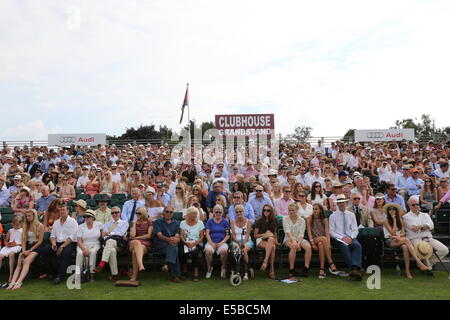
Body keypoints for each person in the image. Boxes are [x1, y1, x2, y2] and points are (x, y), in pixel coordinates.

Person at [382, 203, 429, 279]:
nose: (392, 210)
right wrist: (393, 219)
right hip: (390, 240)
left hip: (400, 239)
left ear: (396, 211)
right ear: (388, 211)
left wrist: (399, 236)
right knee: (406, 240)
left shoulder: (400, 219)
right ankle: (419, 262)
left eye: (394, 209)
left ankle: (407, 271)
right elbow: (393, 232)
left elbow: (403, 232)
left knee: (405, 247)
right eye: (390, 209)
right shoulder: (385, 221)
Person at [403, 197, 449, 274]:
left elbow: (431, 226)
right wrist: (425, 226)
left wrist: (421, 227)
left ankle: (427, 264)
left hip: (428, 237)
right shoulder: (406, 217)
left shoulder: (425, 215)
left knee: (444, 250)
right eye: (413, 205)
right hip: (415, 238)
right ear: (409, 206)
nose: (416, 206)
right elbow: (414, 228)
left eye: (417, 204)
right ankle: (429, 269)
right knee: (423, 249)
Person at [40, 201, 78, 284]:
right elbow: (52, 235)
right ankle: (51, 273)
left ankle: (60, 276)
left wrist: (62, 247)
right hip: (57, 242)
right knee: (45, 250)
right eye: (60, 210)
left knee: (65, 252)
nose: (61, 212)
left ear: (67, 211)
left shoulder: (73, 222)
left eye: (63, 210)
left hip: (69, 243)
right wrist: (53, 244)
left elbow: (71, 237)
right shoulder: (56, 222)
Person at [7, 209, 45, 290]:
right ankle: (12, 282)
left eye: (29, 216)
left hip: (36, 247)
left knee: (27, 261)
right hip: (27, 246)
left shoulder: (40, 226)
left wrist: (30, 250)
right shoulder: (25, 225)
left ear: (34, 216)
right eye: (26, 216)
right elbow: (23, 240)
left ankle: (19, 282)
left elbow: (40, 241)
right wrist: (24, 251)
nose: (27, 218)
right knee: (20, 261)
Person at [329, 194, 363, 281]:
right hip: (339, 238)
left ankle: (354, 268)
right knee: (345, 246)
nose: (341, 204)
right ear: (337, 204)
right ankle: (355, 269)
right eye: (339, 202)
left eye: (342, 202)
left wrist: (351, 238)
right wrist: (342, 237)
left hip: (350, 237)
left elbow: (355, 229)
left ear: (345, 203)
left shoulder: (351, 215)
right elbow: (331, 232)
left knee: (357, 245)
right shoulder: (333, 216)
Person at [94, 206, 129, 282]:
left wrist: (109, 233)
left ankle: (102, 264)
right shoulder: (107, 224)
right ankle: (115, 274)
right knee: (112, 250)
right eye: (113, 213)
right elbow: (104, 236)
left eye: (116, 212)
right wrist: (111, 235)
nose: (115, 214)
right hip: (109, 244)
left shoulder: (125, 223)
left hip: (119, 244)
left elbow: (120, 234)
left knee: (110, 242)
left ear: (120, 213)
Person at [307, 204, 338, 279]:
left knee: (321, 244)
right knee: (323, 239)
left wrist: (329, 244)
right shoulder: (309, 218)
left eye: (316, 209)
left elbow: (327, 232)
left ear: (320, 210)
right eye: (313, 209)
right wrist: (312, 244)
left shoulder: (324, 220)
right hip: (314, 239)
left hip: (323, 242)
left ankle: (322, 269)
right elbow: (309, 233)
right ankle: (331, 262)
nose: (314, 211)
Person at [152, 206, 182, 282]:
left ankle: (167, 265)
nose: (169, 213)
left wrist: (176, 240)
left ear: (173, 214)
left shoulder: (176, 223)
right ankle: (175, 275)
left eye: (171, 212)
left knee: (173, 247)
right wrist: (169, 240)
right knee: (174, 248)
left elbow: (177, 235)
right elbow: (159, 235)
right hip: (160, 244)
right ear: (163, 213)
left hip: (171, 244)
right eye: (167, 212)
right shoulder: (157, 222)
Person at [283, 203, 312, 277]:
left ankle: (306, 268)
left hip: (300, 239)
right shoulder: (285, 219)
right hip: (288, 239)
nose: (291, 212)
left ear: (297, 210)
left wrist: (298, 243)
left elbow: (301, 234)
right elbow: (288, 232)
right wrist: (294, 242)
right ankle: (291, 269)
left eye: (293, 210)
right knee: (293, 247)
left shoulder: (302, 220)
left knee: (308, 247)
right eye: (289, 210)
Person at [75, 209, 103, 281]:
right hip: (83, 244)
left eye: (88, 216)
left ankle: (91, 274)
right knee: (80, 253)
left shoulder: (99, 224)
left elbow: (103, 234)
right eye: (85, 216)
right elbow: (78, 241)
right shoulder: (81, 226)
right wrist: (84, 249)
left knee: (93, 252)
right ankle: (77, 275)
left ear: (93, 217)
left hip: (95, 244)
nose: (86, 218)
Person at [179, 206, 205, 282]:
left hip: (197, 243)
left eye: (195, 214)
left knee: (195, 252)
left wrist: (195, 243)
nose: (195, 216)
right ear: (188, 214)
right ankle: (184, 270)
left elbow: (201, 237)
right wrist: (185, 242)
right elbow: (181, 235)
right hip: (186, 242)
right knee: (181, 252)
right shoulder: (183, 223)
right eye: (193, 214)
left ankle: (196, 273)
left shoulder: (200, 223)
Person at [204, 204, 230, 279]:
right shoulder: (210, 221)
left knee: (224, 251)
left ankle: (223, 267)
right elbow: (207, 233)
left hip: (222, 242)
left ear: (222, 213)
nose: (218, 214)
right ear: (214, 213)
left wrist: (222, 242)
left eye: (220, 212)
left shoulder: (225, 222)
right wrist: (211, 243)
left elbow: (228, 235)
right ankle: (209, 268)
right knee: (208, 251)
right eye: (216, 212)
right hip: (211, 241)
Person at [128, 207, 153, 281]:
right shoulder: (134, 222)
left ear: (144, 213)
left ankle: (134, 277)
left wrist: (137, 238)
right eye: (136, 213)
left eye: (139, 213)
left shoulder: (149, 223)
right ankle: (141, 265)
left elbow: (148, 235)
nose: (137, 215)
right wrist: (134, 224)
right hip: (133, 242)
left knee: (134, 252)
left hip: (145, 243)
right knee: (136, 242)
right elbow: (132, 235)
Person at [254, 204, 278, 279]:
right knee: (273, 247)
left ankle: (265, 261)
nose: (266, 212)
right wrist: (265, 234)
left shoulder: (274, 220)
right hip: (261, 239)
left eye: (268, 210)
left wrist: (271, 236)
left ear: (271, 211)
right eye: (264, 210)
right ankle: (271, 270)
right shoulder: (259, 221)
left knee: (271, 240)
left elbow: (274, 234)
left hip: (270, 239)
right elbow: (255, 235)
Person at [230, 204, 253, 281]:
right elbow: (233, 235)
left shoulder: (248, 222)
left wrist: (243, 243)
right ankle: (235, 270)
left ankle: (246, 272)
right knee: (235, 251)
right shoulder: (232, 222)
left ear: (243, 212)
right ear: (235, 213)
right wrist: (238, 242)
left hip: (246, 241)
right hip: (236, 241)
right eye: (237, 212)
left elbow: (247, 235)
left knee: (244, 250)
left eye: (240, 211)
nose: (239, 213)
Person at [0, 216, 23, 287]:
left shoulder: (22, 231)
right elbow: (6, 241)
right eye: (14, 225)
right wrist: (7, 244)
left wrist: (16, 244)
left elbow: (24, 243)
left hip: (18, 246)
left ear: (21, 224)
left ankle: (11, 276)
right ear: (12, 224)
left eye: (17, 225)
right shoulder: (10, 231)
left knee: (11, 254)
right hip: (9, 246)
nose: (16, 226)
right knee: (0, 256)